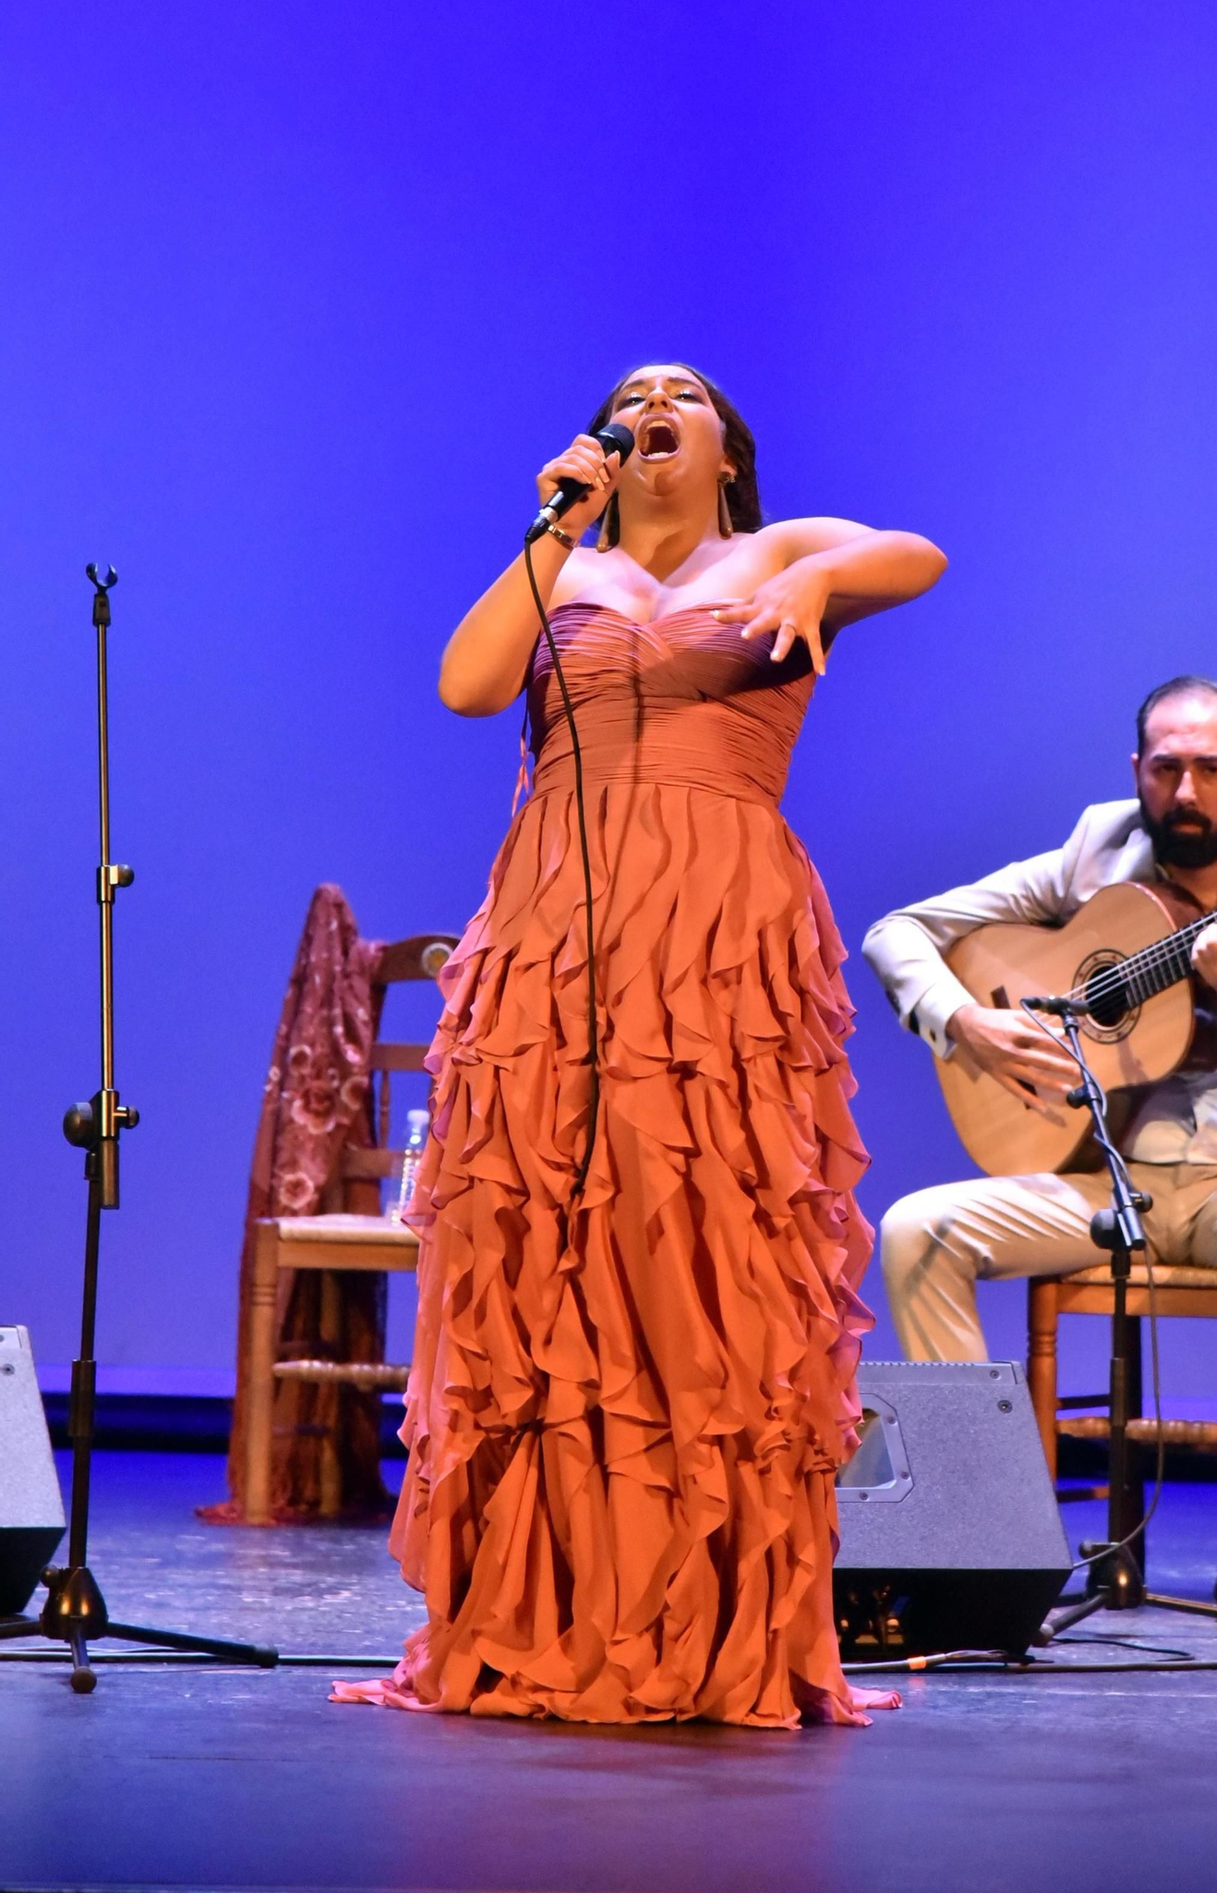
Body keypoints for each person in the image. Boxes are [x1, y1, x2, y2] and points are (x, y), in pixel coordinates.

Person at [335, 362, 944, 1726]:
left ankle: (706, 1611)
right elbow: (466, 686)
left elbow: (919, 555)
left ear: (727, 446)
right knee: (549, 1260)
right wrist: (558, 524)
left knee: (698, 1250)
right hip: (557, 930)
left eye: (684, 391)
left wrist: (809, 581)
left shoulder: (775, 549)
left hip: (719, 930)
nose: (654, 397)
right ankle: (530, 1612)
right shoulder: (568, 564)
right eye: (632, 389)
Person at [862, 677, 1217, 1624]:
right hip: (1107, 1179)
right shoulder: (1096, 849)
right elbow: (897, 932)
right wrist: (961, 1023)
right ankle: (984, 1539)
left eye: (1211, 771)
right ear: (1137, 772)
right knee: (914, 1230)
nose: (1186, 794)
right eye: (1166, 768)